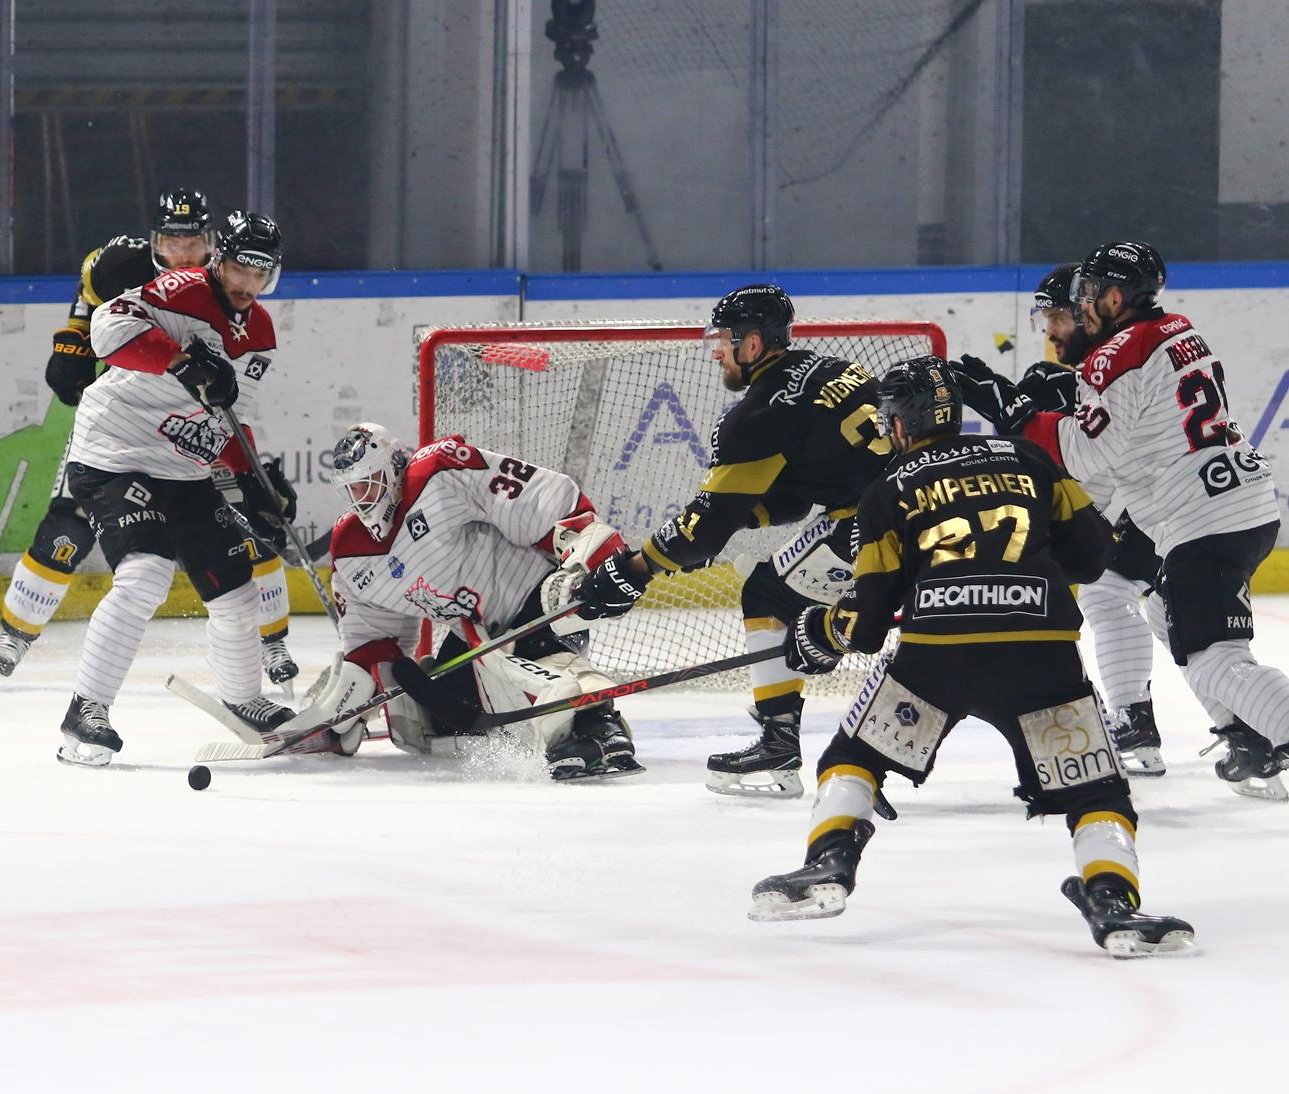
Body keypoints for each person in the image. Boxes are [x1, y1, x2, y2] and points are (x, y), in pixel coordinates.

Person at [749, 357, 1194, 956]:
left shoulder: (889, 486)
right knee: (1097, 792)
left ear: (901, 424)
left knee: (854, 755)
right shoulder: (1028, 458)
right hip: (1043, 656)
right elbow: (1090, 557)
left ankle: (829, 865)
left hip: (937, 657)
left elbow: (868, 621)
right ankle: (1113, 902)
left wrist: (821, 628)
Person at [959, 241, 1289, 800]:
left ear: (1116, 297)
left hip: (1203, 519)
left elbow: (1087, 456)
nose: (1079, 306)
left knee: (1213, 662)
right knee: (1163, 611)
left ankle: (1251, 729)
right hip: (1241, 503)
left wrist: (1011, 411)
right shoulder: (1176, 328)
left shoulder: (1118, 351)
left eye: (1086, 297)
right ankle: (1245, 736)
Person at [570, 283, 892, 797]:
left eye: (722, 340)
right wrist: (725, 526)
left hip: (875, 528)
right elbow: (796, 496)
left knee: (765, 594)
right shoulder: (830, 368)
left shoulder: (759, 414)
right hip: (921, 507)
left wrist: (637, 570)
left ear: (753, 344)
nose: (715, 352)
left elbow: (702, 528)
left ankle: (778, 743)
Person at [0, 187, 303, 691]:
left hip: (188, 440)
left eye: (193, 239)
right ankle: (15, 635)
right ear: (154, 239)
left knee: (243, 524)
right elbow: (95, 313)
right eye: (171, 240)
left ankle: (272, 641)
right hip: (124, 435)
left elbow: (234, 407)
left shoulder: (246, 311)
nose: (181, 251)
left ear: (212, 242)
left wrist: (247, 468)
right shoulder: (120, 268)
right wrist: (72, 344)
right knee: (70, 528)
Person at [55, 210, 296, 765]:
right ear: (220, 260)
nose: (246, 284)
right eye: (239, 268)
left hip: (184, 468)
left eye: (260, 275)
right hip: (114, 454)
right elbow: (107, 331)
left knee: (237, 593)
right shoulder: (181, 289)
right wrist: (181, 360)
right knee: (144, 575)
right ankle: (84, 711)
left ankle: (244, 702)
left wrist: (253, 482)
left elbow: (232, 418)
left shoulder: (259, 331)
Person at [278, 423, 642, 781]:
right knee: (437, 713)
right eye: (351, 489)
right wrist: (345, 711)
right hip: (478, 635)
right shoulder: (351, 552)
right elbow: (372, 643)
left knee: (539, 670)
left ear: (391, 468)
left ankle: (601, 726)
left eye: (367, 483)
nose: (361, 498)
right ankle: (552, 714)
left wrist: (585, 561)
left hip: (538, 599)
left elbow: (544, 501)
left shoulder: (438, 473)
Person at [957, 264, 1167, 776]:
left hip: (1168, 511)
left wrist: (1006, 402)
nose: (1048, 330)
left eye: (1056, 316)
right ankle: (1139, 721)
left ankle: (1250, 731)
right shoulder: (1106, 363)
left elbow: (1073, 442)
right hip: (1146, 513)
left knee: (1184, 623)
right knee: (1112, 593)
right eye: (1043, 318)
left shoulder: (1109, 366)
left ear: (1088, 311)